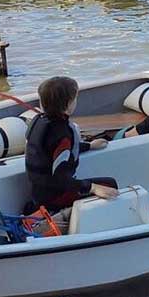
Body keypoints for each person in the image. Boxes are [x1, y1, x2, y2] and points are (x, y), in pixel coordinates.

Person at [24, 76, 118, 213]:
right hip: (54, 197)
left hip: (38, 192)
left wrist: (89, 145)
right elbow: (60, 179)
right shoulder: (62, 135)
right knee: (110, 185)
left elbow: (51, 153)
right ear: (68, 105)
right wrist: (93, 188)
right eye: (75, 99)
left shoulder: (39, 122)